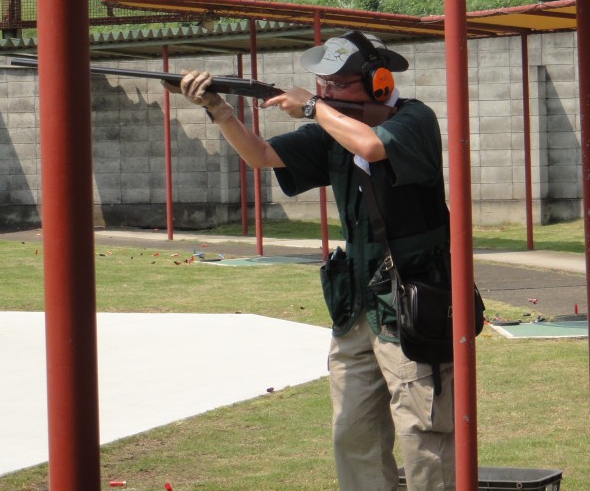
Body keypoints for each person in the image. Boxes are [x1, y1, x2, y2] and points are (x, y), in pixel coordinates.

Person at [165, 30, 455, 491]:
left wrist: (310, 108)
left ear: (379, 83)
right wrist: (218, 109)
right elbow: (261, 156)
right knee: (352, 431)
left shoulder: (415, 119)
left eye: (338, 84)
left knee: (425, 434)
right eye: (322, 85)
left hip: (412, 303)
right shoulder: (331, 126)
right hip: (357, 305)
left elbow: (373, 146)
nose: (326, 93)